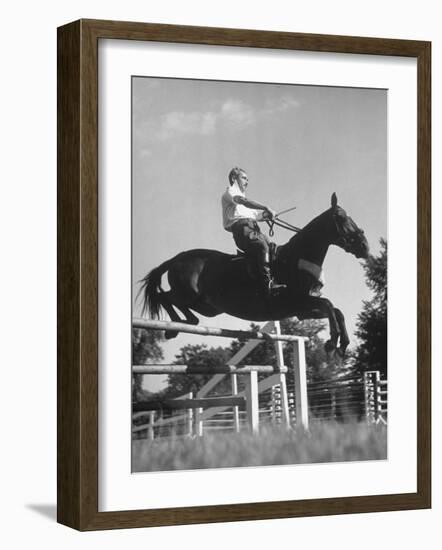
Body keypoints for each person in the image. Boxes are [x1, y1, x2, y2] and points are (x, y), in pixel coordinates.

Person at [221, 167, 285, 295]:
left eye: (248, 179)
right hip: (242, 230)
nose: (247, 182)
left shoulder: (244, 203)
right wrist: (265, 207)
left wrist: (268, 215)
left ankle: (276, 278)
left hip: (253, 229)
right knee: (262, 246)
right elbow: (244, 201)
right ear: (234, 178)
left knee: (272, 248)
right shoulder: (231, 192)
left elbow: (257, 216)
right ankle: (266, 283)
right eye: (244, 178)